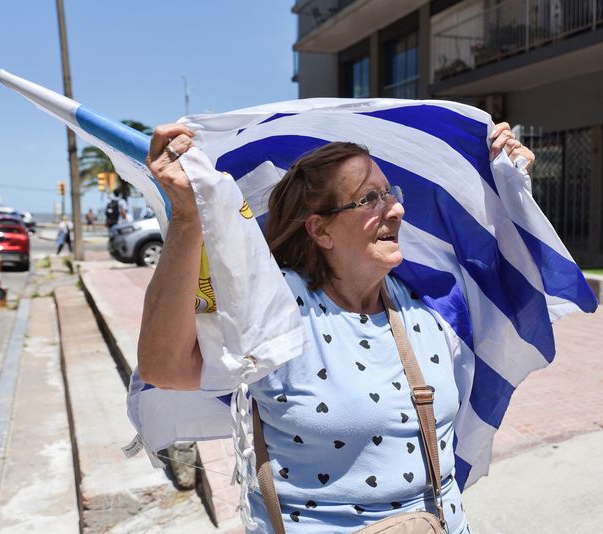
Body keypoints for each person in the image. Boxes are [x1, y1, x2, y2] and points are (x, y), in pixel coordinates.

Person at [137, 121, 532, 532]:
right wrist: (187, 217)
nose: (394, 208)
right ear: (320, 229)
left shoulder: (428, 298)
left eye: (389, 193)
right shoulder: (280, 307)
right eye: (369, 198)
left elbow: (514, 298)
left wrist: (510, 186)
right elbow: (165, 367)